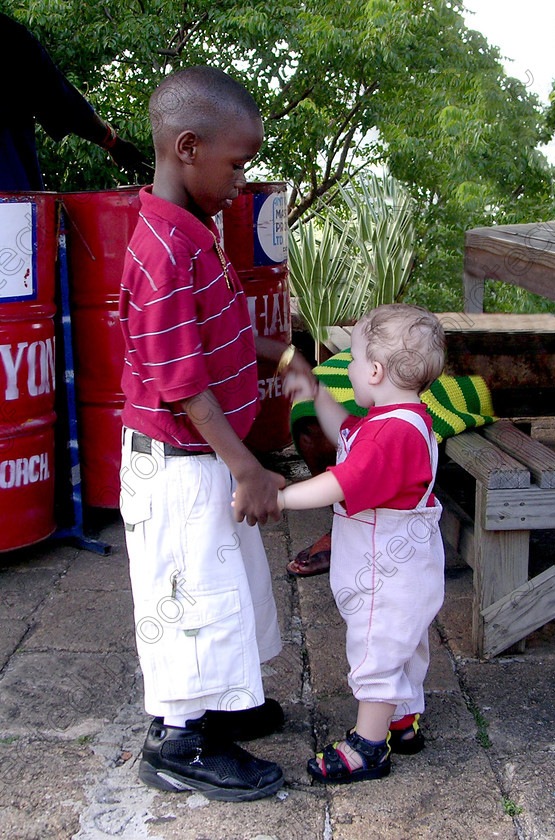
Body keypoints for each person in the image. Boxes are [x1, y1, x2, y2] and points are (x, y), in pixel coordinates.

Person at [118, 65, 314, 800]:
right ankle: (178, 740)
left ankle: (219, 706)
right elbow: (184, 382)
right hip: (179, 465)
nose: (243, 180)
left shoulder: (192, 232)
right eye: (238, 164)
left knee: (225, 585)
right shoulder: (163, 252)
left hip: (204, 457)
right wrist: (249, 470)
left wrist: (286, 355)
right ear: (189, 147)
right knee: (187, 597)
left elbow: (221, 335)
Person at [275, 303, 446, 784]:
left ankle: (368, 747)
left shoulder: (391, 435)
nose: (347, 368)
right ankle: (402, 722)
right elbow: (342, 433)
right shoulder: (397, 419)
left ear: (374, 370)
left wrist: (283, 496)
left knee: (375, 648)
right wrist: (314, 391)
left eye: (352, 359)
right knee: (402, 646)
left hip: (383, 573)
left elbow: (340, 480)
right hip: (405, 568)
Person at [0, 13, 148, 190]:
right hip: (10, 203)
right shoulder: (10, 36)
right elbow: (65, 106)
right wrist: (113, 143)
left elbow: (65, 106)